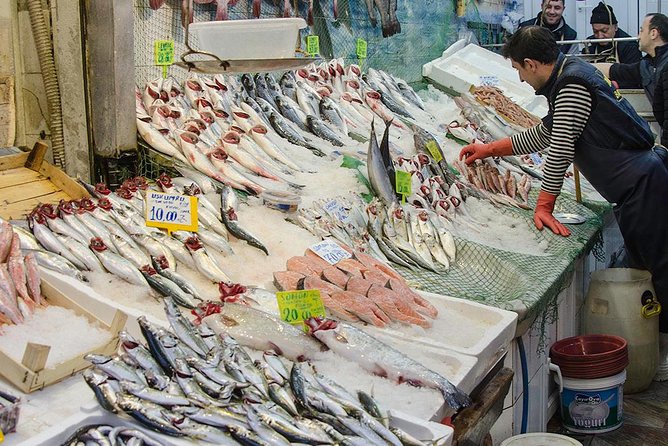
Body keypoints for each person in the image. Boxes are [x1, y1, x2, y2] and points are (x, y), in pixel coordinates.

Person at [459, 26, 668, 380]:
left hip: (645, 187)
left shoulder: (571, 84)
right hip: (637, 187)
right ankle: (654, 347)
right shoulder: (569, 73)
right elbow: (546, 133)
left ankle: (661, 354)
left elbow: (560, 150)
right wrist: (491, 148)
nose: (521, 81)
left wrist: (544, 206)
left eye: (518, 71)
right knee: (648, 267)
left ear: (530, 63)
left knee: (659, 270)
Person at [596, 13, 668, 144]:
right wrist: (577, 66)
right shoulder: (648, 65)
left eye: (641, 30)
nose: (638, 36)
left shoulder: (665, 65)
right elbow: (614, 70)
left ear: (653, 33)